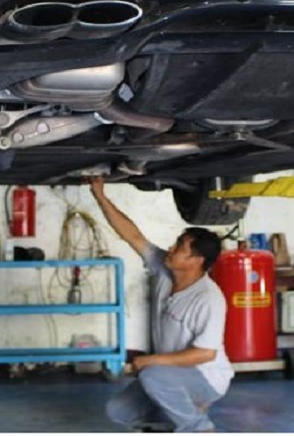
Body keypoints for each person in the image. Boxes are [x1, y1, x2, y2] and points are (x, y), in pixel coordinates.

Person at [89, 177, 233, 432]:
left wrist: (152, 360)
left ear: (196, 260)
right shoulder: (165, 269)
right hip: (171, 373)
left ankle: (199, 427)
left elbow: (205, 354)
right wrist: (100, 195)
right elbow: (132, 235)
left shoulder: (209, 298)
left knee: (153, 374)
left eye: (180, 247)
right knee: (118, 410)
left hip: (206, 377)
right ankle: (176, 417)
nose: (171, 248)